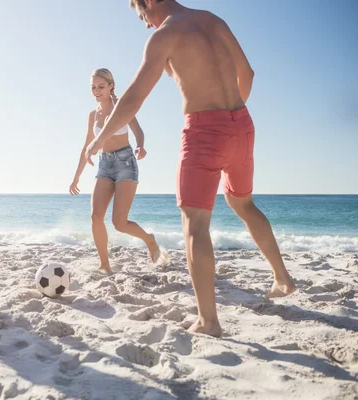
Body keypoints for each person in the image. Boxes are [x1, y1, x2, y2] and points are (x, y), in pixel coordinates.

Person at [85, 0, 295, 337]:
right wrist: (231, 117)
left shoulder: (164, 35)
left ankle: (209, 321)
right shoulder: (213, 19)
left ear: (150, 1)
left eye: (143, 15)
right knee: (243, 203)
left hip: (204, 129)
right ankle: (283, 278)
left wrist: (99, 140)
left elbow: (132, 99)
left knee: (194, 223)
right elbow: (248, 73)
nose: (146, 24)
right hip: (242, 124)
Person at [70, 68, 168, 274]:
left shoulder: (121, 106)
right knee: (96, 217)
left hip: (126, 164)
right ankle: (105, 264)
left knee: (119, 223)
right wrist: (76, 177)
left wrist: (141, 145)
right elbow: (86, 146)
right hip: (104, 165)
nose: (97, 91)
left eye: (101, 86)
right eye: (93, 87)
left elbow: (138, 131)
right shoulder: (92, 115)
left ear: (111, 86)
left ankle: (149, 240)